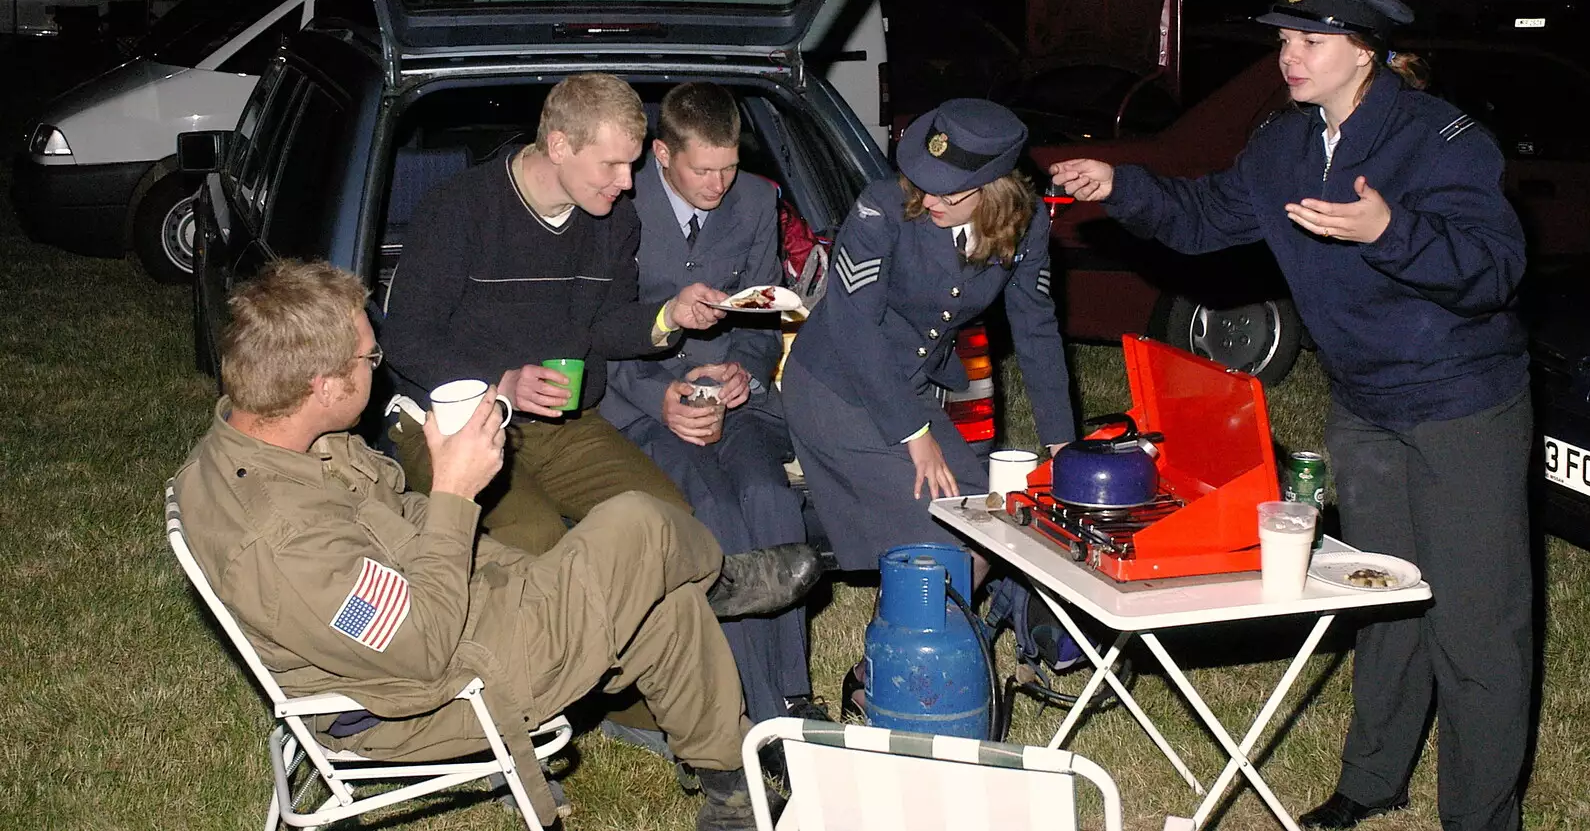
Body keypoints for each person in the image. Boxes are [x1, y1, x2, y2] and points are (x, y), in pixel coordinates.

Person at [1050, 0, 1531, 831]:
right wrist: (1124, 186)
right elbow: (1204, 218)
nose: (1289, 55)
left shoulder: (1439, 140)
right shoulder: (1284, 146)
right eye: (1284, 38)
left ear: (1365, 51)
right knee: (1380, 600)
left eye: (1312, 38)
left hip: (1462, 405)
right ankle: (1373, 781)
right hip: (1366, 404)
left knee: (1475, 634)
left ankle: (1481, 818)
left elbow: (1493, 269)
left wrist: (1392, 229)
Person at [172, 259, 821, 831]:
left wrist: (447, 498)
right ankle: (718, 578)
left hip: (450, 607)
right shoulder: (281, 539)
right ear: (321, 384)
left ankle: (729, 790)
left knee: (659, 599)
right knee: (636, 524)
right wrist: (455, 488)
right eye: (370, 359)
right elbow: (421, 650)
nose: (379, 366)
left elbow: (393, 527)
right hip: (428, 694)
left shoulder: (262, 437)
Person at [782, 97, 1077, 709]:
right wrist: (914, 434)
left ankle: (918, 649)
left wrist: (1060, 444)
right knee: (932, 528)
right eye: (924, 180)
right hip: (835, 386)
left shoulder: (1028, 225)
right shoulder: (880, 208)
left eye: (951, 192)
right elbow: (856, 331)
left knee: (991, 525)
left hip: (905, 386)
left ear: (993, 189)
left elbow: (1037, 328)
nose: (930, 197)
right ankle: (882, 681)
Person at [383, 72, 731, 557]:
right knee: (533, 538)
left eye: (631, 165)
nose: (627, 183)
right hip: (453, 424)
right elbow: (405, 338)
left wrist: (670, 316)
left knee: (666, 523)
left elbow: (606, 327)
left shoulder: (613, 223)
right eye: (611, 165)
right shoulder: (459, 209)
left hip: (564, 427)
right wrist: (500, 383)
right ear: (560, 145)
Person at [598, 82, 818, 726]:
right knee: (716, 511)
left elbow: (757, 307)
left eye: (729, 166)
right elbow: (594, 326)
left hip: (729, 398)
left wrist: (742, 375)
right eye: (703, 170)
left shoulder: (754, 201)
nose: (720, 184)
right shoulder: (616, 199)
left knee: (769, 497)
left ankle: (794, 690)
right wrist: (655, 395)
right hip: (640, 397)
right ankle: (750, 702)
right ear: (661, 153)